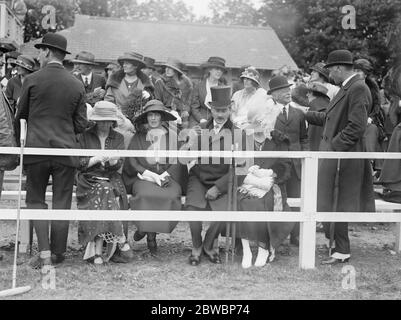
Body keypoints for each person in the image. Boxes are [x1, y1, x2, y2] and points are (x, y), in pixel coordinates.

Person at [15, 33, 88, 269]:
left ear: (47, 52)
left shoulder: (32, 80)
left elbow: (21, 117)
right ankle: (58, 253)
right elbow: (80, 124)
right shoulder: (77, 84)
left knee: (35, 200)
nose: (38, 55)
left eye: (40, 51)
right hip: (66, 152)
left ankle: (44, 252)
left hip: (36, 150)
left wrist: (21, 146)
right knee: (62, 202)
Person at [304, 50, 375, 265]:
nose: (329, 76)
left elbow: (357, 126)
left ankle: (342, 250)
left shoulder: (358, 88)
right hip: (336, 156)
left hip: (344, 157)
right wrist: (304, 113)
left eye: (330, 70)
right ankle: (336, 245)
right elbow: (330, 118)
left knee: (339, 202)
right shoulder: (348, 88)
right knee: (328, 200)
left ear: (338, 68)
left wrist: (335, 147)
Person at [183, 86, 237, 266]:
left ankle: (209, 245)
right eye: (216, 110)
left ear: (230, 110)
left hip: (223, 181)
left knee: (223, 213)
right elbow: (185, 158)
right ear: (211, 110)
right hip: (199, 178)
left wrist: (219, 187)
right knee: (192, 210)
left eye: (224, 110)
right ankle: (196, 246)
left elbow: (242, 170)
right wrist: (190, 142)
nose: (220, 114)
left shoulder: (239, 133)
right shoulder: (200, 129)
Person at [122, 100, 185, 254]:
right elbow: (132, 160)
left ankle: (145, 229)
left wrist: (165, 174)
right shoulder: (138, 137)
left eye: (157, 114)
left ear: (162, 117)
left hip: (168, 176)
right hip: (144, 178)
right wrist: (146, 174)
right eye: (151, 114)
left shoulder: (173, 137)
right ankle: (150, 235)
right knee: (145, 195)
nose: (154, 118)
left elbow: (179, 159)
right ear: (147, 117)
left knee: (170, 196)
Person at [237, 101, 293, 268]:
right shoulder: (242, 139)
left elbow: (285, 166)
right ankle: (247, 250)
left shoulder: (279, 140)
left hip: (272, 185)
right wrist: (251, 178)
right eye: (256, 120)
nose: (260, 123)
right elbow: (237, 167)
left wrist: (270, 174)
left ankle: (263, 248)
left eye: (263, 120)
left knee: (264, 203)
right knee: (243, 201)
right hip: (247, 183)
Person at [76, 101, 133, 265]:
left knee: (106, 189)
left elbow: (118, 165)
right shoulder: (84, 136)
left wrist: (113, 161)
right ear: (95, 120)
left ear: (113, 121)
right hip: (88, 178)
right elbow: (80, 164)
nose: (105, 124)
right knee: (105, 190)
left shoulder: (118, 137)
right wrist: (96, 159)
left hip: (111, 177)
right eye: (101, 120)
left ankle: (98, 250)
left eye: (108, 121)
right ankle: (120, 238)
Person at [269, 75, 309, 246]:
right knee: (276, 199)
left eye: (288, 89)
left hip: (296, 164)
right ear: (274, 94)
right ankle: (273, 236)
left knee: (297, 198)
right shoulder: (268, 113)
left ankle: (296, 235)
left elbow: (304, 138)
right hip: (275, 164)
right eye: (282, 90)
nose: (287, 92)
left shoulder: (299, 114)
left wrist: (305, 156)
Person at [354, 58, 386, 174]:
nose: (356, 73)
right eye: (355, 70)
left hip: (369, 120)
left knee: (372, 130)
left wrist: (371, 118)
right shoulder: (350, 85)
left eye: (359, 71)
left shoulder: (372, 87)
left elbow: (377, 106)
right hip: (353, 121)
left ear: (365, 73)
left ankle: (370, 163)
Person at [105, 51, 153, 118]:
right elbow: (108, 102)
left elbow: (150, 105)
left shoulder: (145, 84)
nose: (124, 65)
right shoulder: (114, 81)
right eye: (124, 63)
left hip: (138, 121)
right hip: (117, 119)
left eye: (127, 63)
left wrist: (149, 96)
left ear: (136, 66)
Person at [154, 58, 193, 128]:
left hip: (183, 115)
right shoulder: (160, 82)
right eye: (166, 67)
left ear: (176, 71)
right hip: (165, 114)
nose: (167, 70)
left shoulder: (186, 84)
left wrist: (186, 111)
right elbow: (157, 102)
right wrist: (170, 112)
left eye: (170, 68)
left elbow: (189, 101)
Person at [189, 57, 227, 128]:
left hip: (217, 119)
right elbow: (194, 107)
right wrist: (201, 119)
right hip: (198, 118)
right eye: (216, 69)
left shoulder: (223, 88)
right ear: (210, 70)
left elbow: (224, 109)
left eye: (221, 70)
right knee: (194, 134)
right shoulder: (199, 86)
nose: (219, 72)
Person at [305, 82, 330, 151]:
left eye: (309, 92)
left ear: (315, 95)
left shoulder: (314, 110)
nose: (307, 95)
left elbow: (313, 141)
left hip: (314, 156)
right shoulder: (329, 109)